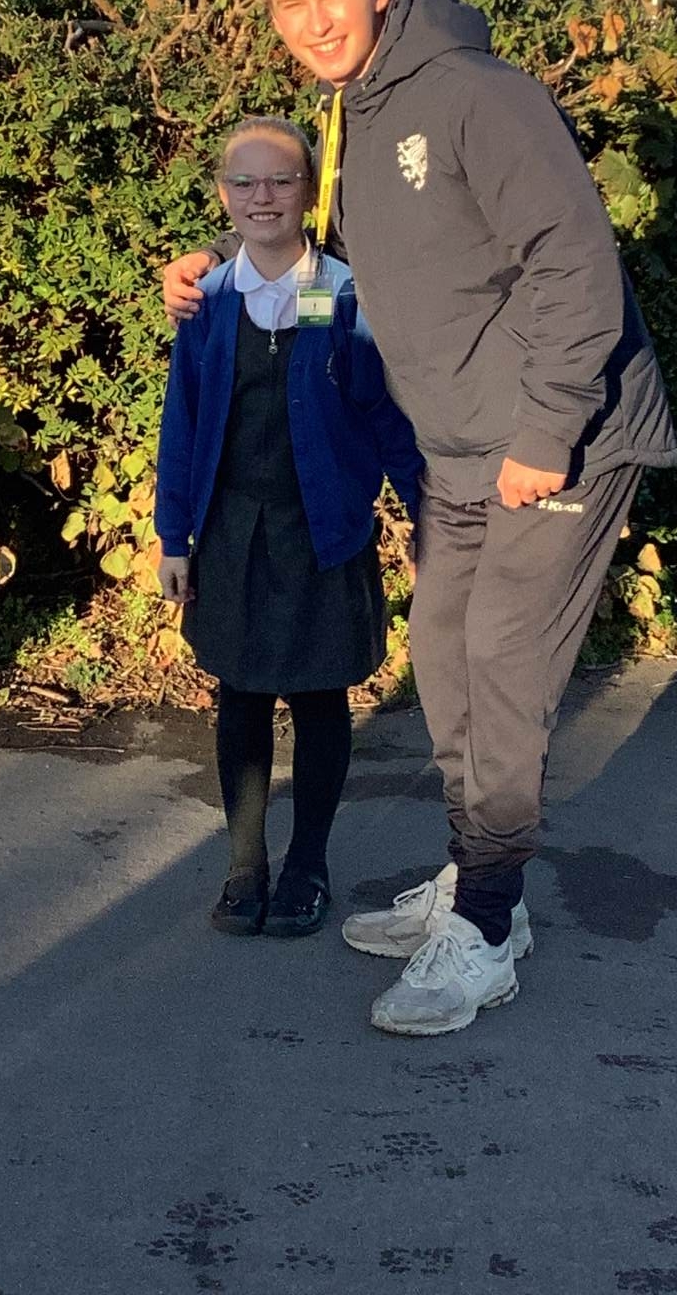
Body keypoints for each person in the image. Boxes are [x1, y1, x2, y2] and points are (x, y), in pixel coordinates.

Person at [164, 0, 677, 1035]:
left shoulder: (479, 95)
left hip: (555, 442)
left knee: (501, 668)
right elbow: (352, 263)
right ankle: (476, 878)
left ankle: (486, 924)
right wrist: (216, 262)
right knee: (443, 659)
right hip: (459, 451)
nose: (314, 20)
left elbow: (576, 265)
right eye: (290, 4)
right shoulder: (354, 110)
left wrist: (547, 433)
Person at [156, 114, 424, 940]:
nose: (262, 196)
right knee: (239, 697)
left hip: (324, 533)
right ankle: (246, 866)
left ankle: (308, 865)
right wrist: (173, 537)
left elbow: (387, 416)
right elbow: (182, 422)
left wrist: (429, 517)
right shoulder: (205, 301)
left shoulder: (345, 295)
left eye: (281, 180)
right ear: (222, 194)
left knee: (318, 698)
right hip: (233, 534)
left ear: (310, 191)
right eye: (244, 181)